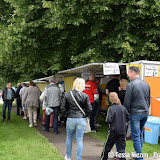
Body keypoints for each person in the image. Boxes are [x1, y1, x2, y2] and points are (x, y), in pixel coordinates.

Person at [61, 78, 92, 160]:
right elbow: (89, 109)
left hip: (71, 118)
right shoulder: (85, 95)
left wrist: (67, 115)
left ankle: (68, 156)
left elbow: (63, 108)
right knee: (79, 139)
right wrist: (85, 115)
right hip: (81, 119)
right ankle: (78, 158)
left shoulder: (67, 95)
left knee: (69, 137)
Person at [124, 66, 150, 160]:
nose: (128, 75)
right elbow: (148, 99)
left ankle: (139, 157)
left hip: (135, 113)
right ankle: (138, 155)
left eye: (129, 73)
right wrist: (146, 109)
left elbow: (127, 101)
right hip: (145, 112)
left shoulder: (130, 85)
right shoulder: (146, 84)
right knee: (139, 134)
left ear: (133, 73)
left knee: (135, 136)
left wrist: (126, 113)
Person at [101, 92, 129, 160]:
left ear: (110, 100)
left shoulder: (111, 109)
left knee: (108, 146)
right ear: (117, 99)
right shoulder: (123, 108)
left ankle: (104, 158)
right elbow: (128, 118)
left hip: (113, 130)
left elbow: (108, 120)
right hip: (122, 130)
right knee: (121, 147)